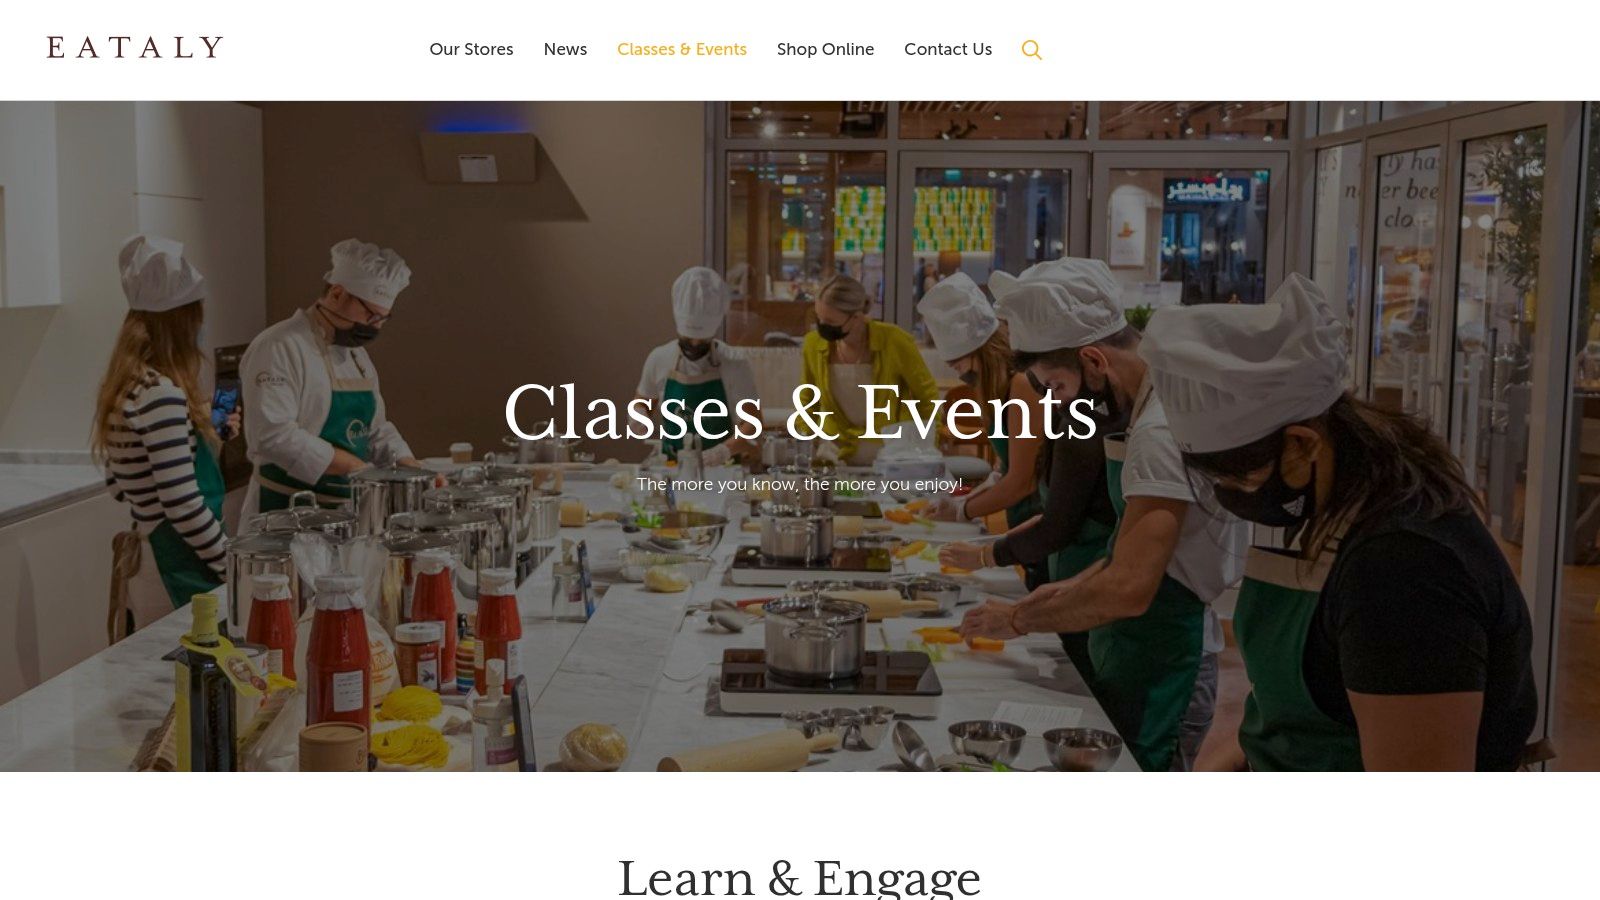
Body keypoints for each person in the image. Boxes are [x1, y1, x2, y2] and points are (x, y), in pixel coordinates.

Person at [1140, 275, 1536, 771]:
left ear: (1302, 444)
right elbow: (1286, 718)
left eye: (1241, 478)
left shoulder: (1407, 569)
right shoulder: (1338, 503)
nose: (1232, 495)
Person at [959, 260, 1247, 772]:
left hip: (1166, 661)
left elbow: (1130, 587)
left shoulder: (1158, 432)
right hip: (1135, 647)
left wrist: (1021, 618)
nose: (1057, 407)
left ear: (1093, 360)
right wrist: (1064, 591)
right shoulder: (1149, 407)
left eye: (1055, 388)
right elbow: (1125, 551)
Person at [95, 235, 229, 622]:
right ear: (181, 323)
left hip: (149, 557)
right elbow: (182, 504)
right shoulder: (162, 394)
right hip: (177, 565)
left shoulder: (127, 386)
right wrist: (232, 563)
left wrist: (201, 429)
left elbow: (119, 485)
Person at [241, 238, 420, 513]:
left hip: (344, 510)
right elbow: (272, 435)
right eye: (371, 316)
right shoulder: (279, 346)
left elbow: (374, 429)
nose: (375, 328)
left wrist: (409, 466)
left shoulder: (357, 356)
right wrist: (352, 466)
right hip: (287, 510)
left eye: (383, 320)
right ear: (337, 294)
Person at [801, 274, 939, 465]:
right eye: (819, 319)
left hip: (890, 457)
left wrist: (926, 448)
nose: (823, 327)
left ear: (857, 317)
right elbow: (807, 401)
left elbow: (927, 398)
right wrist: (805, 445)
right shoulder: (813, 344)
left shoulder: (895, 341)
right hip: (834, 456)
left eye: (830, 322)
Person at [636, 266, 758, 465]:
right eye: (687, 339)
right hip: (671, 467)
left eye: (701, 341)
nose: (693, 345)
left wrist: (723, 451)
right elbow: (642, 402)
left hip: (722, 469)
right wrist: (639, 416)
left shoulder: (734, 363)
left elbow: (752, 424)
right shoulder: (660, 358)